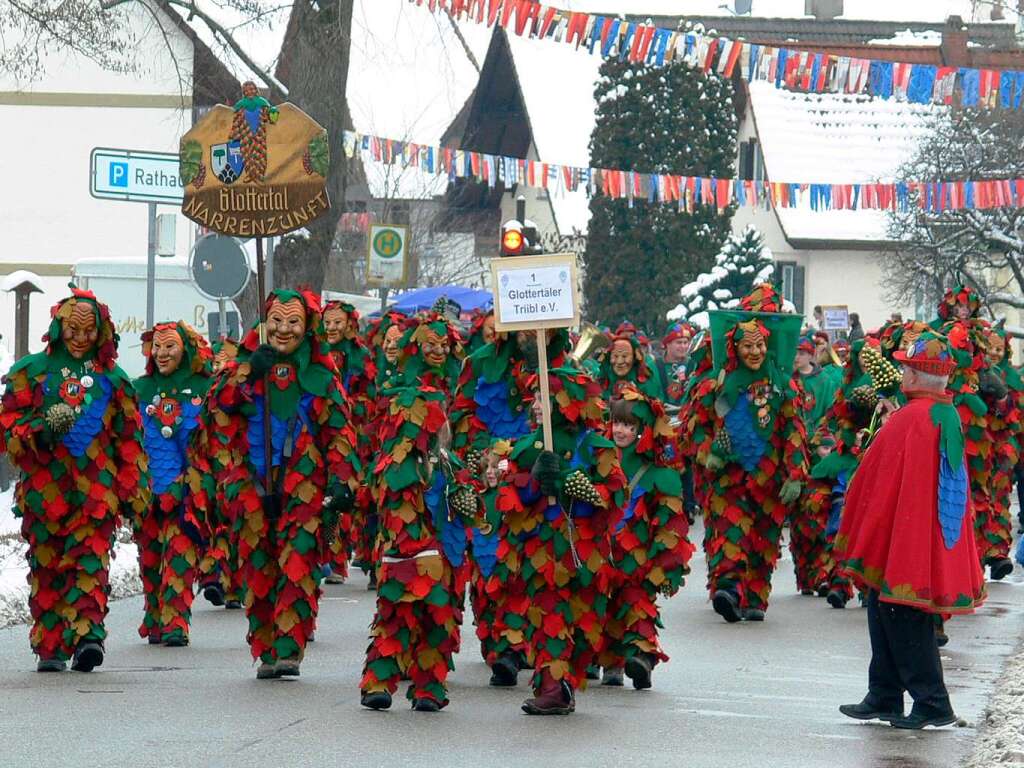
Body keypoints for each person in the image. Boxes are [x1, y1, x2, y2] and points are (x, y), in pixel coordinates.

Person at [199, 289, 360, 679]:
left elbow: (339, 432)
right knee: (258, 565)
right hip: (251, 482)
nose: (283, 330)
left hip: (303, 485)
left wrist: (341, 481)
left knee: (298, 562)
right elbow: (215, 409)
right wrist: (250, 371)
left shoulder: (321, 376)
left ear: (307, 328)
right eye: (276, 321)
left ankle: (289, 648)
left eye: (293, 322)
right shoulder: (244, 368)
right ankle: (266, 644)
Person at [837, 330, 985, 729]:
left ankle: (932, 703)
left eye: (906, 366)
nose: (901, 371)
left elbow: (897, 482)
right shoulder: (926, 414)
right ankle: (884, 694)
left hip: (911, 539)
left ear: (919, 375)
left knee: (903, 614)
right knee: (882, 607)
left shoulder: (920, 417)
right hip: (905, 534)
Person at [0, 287, 150, 672]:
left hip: (96, 491)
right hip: (43, 490)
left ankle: (87, 637)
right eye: (73, 329)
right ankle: (51, 645)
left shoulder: (114, 381)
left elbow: (129, 440)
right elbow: (8, 427)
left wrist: (133, 489)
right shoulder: (30, 372)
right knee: (47, 565)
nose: (81, 338)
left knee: (89, 562)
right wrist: (38, 429)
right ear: (59, 327)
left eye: (89, 331)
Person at [359, 312, 477, 712]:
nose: (439, 351)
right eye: (430, 344)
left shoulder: (455, 398)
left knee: (441, 605)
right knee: (399, 601)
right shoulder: (403, 403)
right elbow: (390, 465)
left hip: (445, 520)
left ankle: (429, 685)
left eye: (446, 346)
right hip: (408, 523)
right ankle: (380, 679)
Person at [498, 367, 625, 714]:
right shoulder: (525, 448)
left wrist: (569, 481)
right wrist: (534, 483)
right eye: (535, 398)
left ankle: (567, 681)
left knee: (582, 626)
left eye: (544, 398)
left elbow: (614, 493)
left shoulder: (594, 445)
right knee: (547, 617)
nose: (536, 405)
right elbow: (508, 494)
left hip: (583, 553)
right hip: (541, 551)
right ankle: (552, 689)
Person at [685, 284, 809, 622]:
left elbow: (794, 432)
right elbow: (696, 428)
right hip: (728, 477)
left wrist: (795, 475)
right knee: (730, 531)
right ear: (734, 348)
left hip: (769, 479)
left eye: (759, 345)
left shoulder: (784, 386)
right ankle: (727, 587)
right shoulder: (715, 385)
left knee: (764, 538)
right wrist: (708, 452)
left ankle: (754, 595)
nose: (754, 352)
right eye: (747, 346)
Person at [598, 385, 693, 689]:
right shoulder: (600, 460)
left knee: (637, 604)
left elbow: (670, 519)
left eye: (629, 425)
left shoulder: (656, 471)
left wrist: (668, 562)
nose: (621, 430)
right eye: (617, 423)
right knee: (605, 604)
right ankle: (609, 663)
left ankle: (640, 658)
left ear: (642, 431)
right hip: (604, 551)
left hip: (639, 555)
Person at [134, 321, 213, 646]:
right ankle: (154, 615)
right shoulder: (140, 389)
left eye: (170, 346)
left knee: (180, 557)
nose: (163, 353)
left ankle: (175, 623)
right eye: (158, 347)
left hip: (184, 492)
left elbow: (210, 441)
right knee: (150, 557)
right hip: (146, 491)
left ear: (186, 350)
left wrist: (194, 483)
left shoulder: (202, 389)